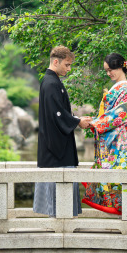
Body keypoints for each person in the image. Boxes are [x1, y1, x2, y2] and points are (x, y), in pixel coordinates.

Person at [82, 52, 127, 214]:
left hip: (118, 138)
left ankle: (123, 206)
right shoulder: (119, 87)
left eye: (112, 69)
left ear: (121, 67)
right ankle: (117, 205)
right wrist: (96, 120)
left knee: (118, 168)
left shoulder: (126, 88)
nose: (109, 73)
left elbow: (119, 113)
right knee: (113, 170)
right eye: (107, 70)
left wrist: (96, 122)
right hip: (112, 135)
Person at [33, 46, 92, 217]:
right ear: (56, 61)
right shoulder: (51, 83)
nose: (69, 69)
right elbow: (56, 114)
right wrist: (78, 121)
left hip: (55, 144)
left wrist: (76, 119)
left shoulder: (52, 81)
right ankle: (60, 229)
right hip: (55, 149)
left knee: (58, 194)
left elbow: (59, 112)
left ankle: (61, 227)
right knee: (58, 194)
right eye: (67, 65)